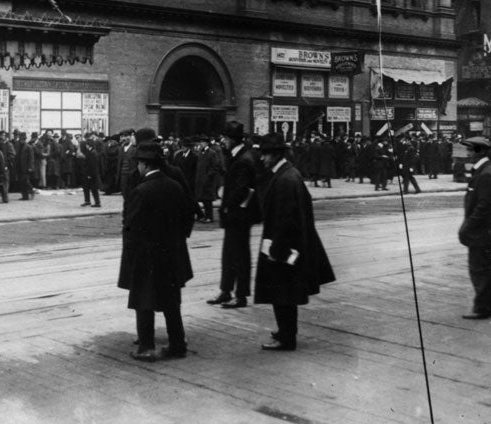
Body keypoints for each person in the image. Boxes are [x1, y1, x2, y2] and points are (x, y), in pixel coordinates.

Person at [253, 132, 335, 351]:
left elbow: (287, 219)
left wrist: (275, 249)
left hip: (284, 248)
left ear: (276, 154)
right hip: (289, 246)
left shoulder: (285, 179)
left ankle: (286, 337)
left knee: (283, 294)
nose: (262, 158)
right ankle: (284, 332)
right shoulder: (287, 174)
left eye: (265, 154)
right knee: (284, 293)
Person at [117, 142, 197, 361]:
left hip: (147, 257)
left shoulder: (141, 191)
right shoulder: (174, 185)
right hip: (172, 255)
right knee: (172, 302)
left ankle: (146, 347)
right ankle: (177, 345)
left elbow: (131, 228)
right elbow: (187, 216)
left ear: (144, 164)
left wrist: (132, 257)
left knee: (144, 301)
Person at [207, 121, 260, 310]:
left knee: (240, 255)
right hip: (234, 215)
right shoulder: (237, 155)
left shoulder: (244, 159)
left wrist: (229, 206)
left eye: (224, 138)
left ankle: (241, 295)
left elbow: (243, 189)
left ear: (231, 139)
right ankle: (226, 290)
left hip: (239, 215)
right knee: (229, 253)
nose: (222, 141)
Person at [457, 136, 491, 319]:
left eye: (470, 150)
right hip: (480, 231)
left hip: (480, 231)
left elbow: (483, 206)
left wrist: (467, 226)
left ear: (479, 151)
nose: (467, 154)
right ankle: (485, 306)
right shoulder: (482, 171)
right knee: (481, 269)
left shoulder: (486, 173)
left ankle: (483, 308)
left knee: (480, 270)